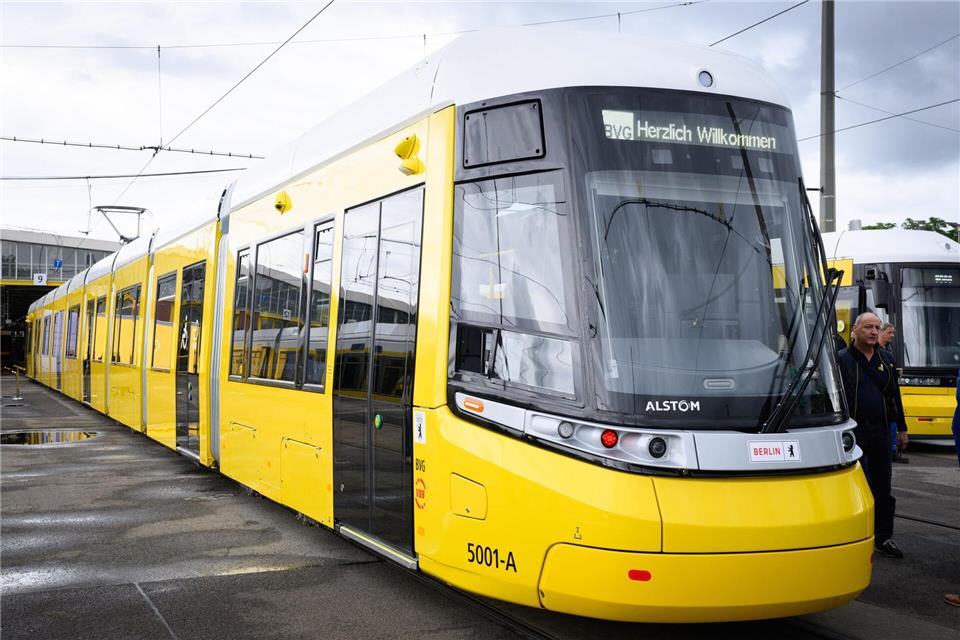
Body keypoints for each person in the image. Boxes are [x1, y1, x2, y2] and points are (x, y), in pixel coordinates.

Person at [837, 312, 908, 559]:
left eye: (877, 327)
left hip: (880, 429)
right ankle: (853, 534)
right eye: (868, 327)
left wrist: (902, 429)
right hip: (852, 432)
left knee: (883, 483)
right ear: (855, 330)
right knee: (855, 483)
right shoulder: (841, 359)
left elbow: (894, 396)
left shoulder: (886, 359)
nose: (874, 331)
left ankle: (884, 536)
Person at [877, 322, 908, 463]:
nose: (892, 335)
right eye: (889, 332)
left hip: (890, 402)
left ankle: (893, 450)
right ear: (881, 332)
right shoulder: (876, 351)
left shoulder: (889, 349)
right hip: (880, 403)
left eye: (893, 332)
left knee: (893, 421)